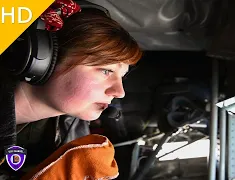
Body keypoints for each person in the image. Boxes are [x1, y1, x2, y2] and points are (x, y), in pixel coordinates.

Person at [0, 0, 142, 178]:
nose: (119, 92)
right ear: (44, 57)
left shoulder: (73, 138)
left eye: (122, 77)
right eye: (106, 71)